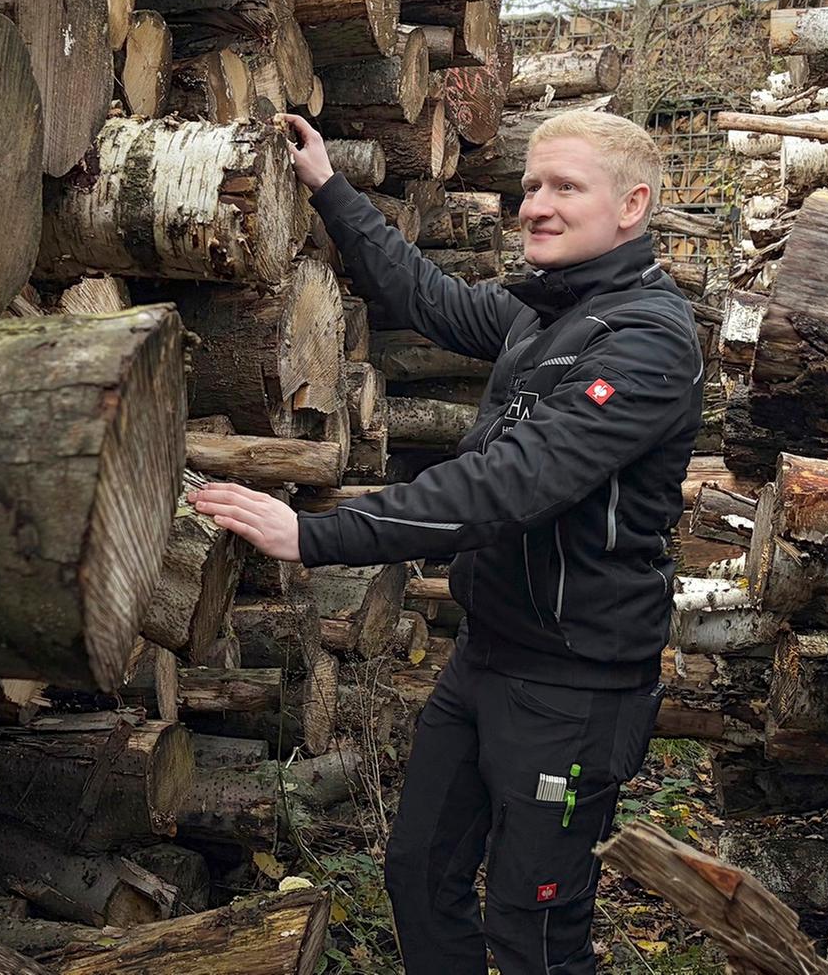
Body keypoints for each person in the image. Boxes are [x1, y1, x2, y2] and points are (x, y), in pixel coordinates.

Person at [188, 108, 703, 973]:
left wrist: (312, 536)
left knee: (534, 929)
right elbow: (425, 295)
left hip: (576, 684)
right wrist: (329, 187)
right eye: (531, 185)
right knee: (420, 875)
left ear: (633, 206)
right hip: (489, 655)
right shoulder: (546, 309)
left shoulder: (647, 342)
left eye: (564, 188)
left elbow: (506, 488)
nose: (534, 205)